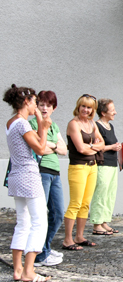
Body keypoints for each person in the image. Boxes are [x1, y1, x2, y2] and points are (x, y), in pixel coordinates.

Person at [3, 84, 52, 282]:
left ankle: (18, 270)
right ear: (26, 101)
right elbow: (40, 149)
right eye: (35, 103)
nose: (37, 107)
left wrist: (39, 121)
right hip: (29, 175)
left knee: (23, 223)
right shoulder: (23, 124)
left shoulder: (11, 122)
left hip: (16, 176)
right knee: (39, 222)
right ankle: (29, 271)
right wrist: (43, 125)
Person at [29, 91, 67, 267]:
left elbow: (64, 150)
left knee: (58, 213)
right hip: (41, 171)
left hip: (55, 172)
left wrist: (49, 144)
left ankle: (44, 248)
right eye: (41, 104)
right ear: (36, 106)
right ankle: (38, 255)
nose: (44, 108)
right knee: (39, 215)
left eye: (48, 105)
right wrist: (53, 145)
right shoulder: (32, 123)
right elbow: (40, 149)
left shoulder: (54, 126)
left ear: (54, 108)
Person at [63, 94, 105, 250]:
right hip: (78, 167)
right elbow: (80, 148)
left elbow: (103, 143)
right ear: (78, 106)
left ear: (92, 110)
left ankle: (79, 236)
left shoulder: (92, 124)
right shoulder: (74, 124)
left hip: (92, 166)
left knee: (85, 204)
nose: (85, 110)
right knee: (75, 203)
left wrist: (92, 147)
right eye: (83, 106)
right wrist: (94, 147)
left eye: (89, 107)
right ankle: (68, 239)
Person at [90, 99, 122, 235]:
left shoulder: (110, 126)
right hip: (102, 164)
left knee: (110, 194)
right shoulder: (96, 126)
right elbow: (95, 146)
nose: (115, 112)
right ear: (103, 112)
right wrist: (112, 147)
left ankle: (104, 221)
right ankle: (97, 223)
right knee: (100, 194)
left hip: (112, 164)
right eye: (112, 109)